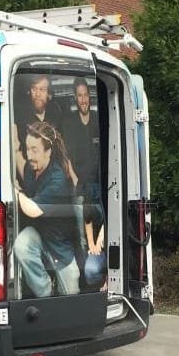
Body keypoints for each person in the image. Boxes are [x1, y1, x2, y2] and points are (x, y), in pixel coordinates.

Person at [13, 121, 79, 297]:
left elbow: (32, 210)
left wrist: (15, 190)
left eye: (35, 150)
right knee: (21, 245)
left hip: (60, 245)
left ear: (48, 151)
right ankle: (45, 293)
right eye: (28, 149)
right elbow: (20, 159)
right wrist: (14, 139)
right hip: (40, 234)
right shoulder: (31, 167)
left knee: (71, 297)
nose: (30, 155)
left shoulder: (57, 179)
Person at [62, 77, 105, 286]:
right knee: (81, 233)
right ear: (75, 98)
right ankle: (85, 282)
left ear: (90, 96)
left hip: (100, 186)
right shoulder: (69, 122)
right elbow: (65, 153)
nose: (83, 99)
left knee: (104, 226)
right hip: (80, 186)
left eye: (85, 94)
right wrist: (74, 176)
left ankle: (101, 274)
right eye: (79, 95)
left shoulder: (98, 119)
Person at [13, 74, 63, 178]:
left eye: (42, 89)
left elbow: (61, 150)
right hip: (27, 178)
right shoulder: (20, 117)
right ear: (29, 91)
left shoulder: (56, 114)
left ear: (49, 94)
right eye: (34, 88)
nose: (37, 94)